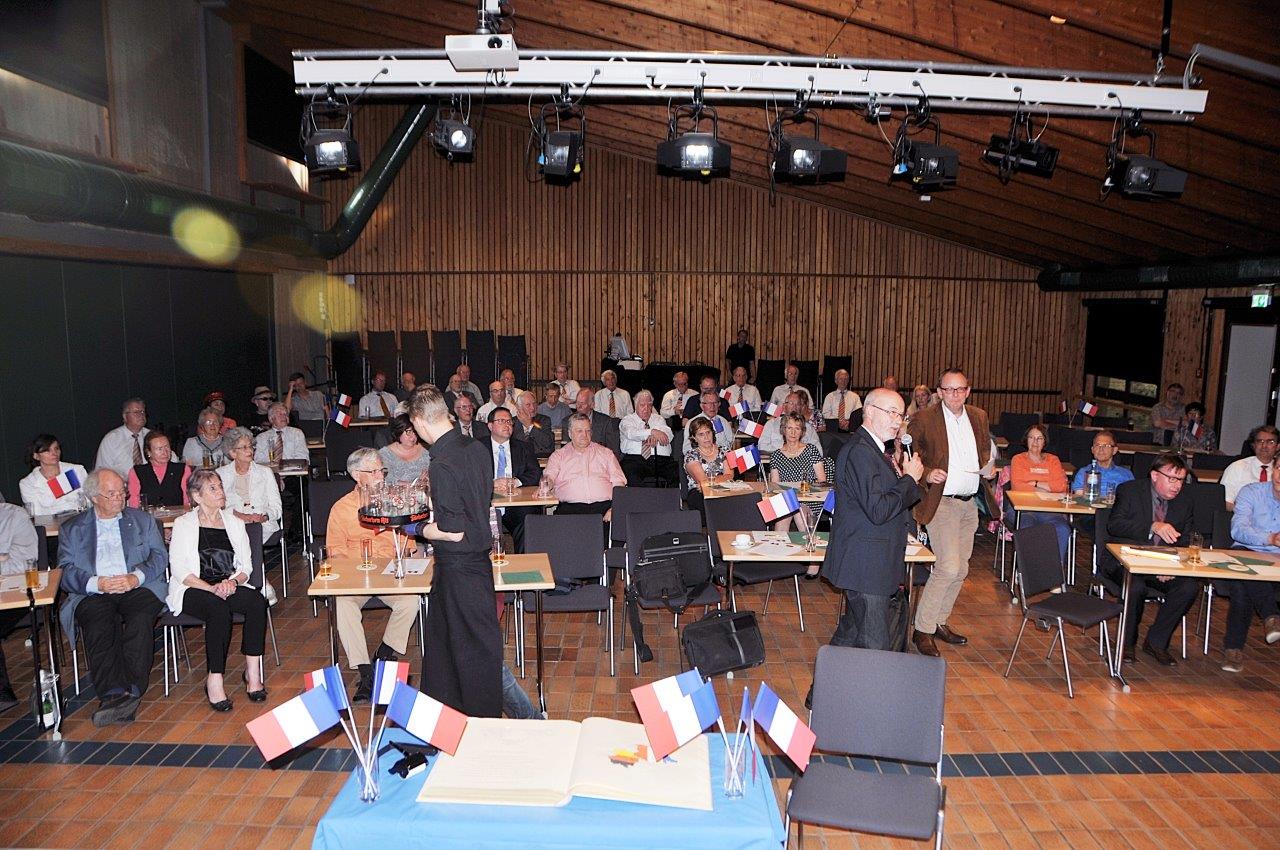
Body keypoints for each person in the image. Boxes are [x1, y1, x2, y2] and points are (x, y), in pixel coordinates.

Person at [407, 385, 501, 717]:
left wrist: (414, 528)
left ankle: (465, 722)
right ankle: (465, 718)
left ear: (418, 421)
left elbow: (451, 529)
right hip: (479, 563)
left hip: (457, 567)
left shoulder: (441, 462)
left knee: (457, 651)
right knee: (468, 647)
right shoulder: (476, 447)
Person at [58, 469, 168, 726]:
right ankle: (115, 693)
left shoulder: (141, 520)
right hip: (95, 590)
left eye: (122, 492)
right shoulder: (73, 529)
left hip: (138, 586)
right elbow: (65, 571)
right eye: (112, 494)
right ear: (95, 497)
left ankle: (130, 688)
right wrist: (97, 583)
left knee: (141, 620)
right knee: (98, 624)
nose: (120, 498)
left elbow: (159, 556)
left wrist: (135, 577)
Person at [820, 388, 923, 651]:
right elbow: (878, 509)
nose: (897, 421)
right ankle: (868, 692)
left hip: (870, 564)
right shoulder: (861, 452)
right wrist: (909, 480)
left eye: (900, 415)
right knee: (874, 648)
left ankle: (820, 692)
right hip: (865, 566)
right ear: (869, 411)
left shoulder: (876, 451)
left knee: (848, 640)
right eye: (891, 413)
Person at [906, 368, 997, 658]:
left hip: (970, 502)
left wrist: (989, 466)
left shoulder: (979, 416)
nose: (955, 394)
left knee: (962, 568)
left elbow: (984, 451)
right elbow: (909, 453)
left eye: (960, 389)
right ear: (940, 391)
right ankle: (922, 629)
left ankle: (938, 621)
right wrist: (927, 473)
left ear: (968, 391)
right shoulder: (924, 418)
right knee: (948, 567)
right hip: (941, 501)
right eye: (949, 389)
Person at [327, 448, 424, 702]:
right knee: (343, 605)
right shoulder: (341, 508)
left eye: (382, 470)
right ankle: (366, 671)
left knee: (410, 601)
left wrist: (413, 566)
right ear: (357, 476)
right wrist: (352, 576)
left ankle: (385, 652)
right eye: (374, 471)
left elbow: (409, 547)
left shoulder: (393, 502)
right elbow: (335, 553)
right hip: (356, 575)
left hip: (389, 572)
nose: (381, 475)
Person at [167, 469, 268, 711]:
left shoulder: (234, 522)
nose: (220, 491)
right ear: (197, 496)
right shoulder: (183, 524)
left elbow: (247, 566)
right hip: (194, 587)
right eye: (212, 488)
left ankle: (252, 674)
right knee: (218, 609)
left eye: (220, 486)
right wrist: (211, 589)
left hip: (228, 584)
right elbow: (180, 571)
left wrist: (231, 582)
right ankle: (214, 678)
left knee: (256, 602)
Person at [1102, 454, 1202, 665]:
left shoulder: (1185, 501)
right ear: (1155, 475)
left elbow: (1184, 539)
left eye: (1181, 480)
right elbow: (1115, 526)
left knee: (1189, 587)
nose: (1177, 486)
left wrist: (1171, 566)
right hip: (1124, 562)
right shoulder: (1130, 491)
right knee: (1135, 587)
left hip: (1163, 565)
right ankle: (1127, 643)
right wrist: (1152, 526)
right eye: (1172, 479)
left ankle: (1157, 641)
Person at [1222, 458, 1280, 672]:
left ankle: (1232, 649)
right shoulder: (1251, 492)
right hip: (1247, 552)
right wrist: (1270, 538)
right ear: (1274, 469)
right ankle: (1271, 617)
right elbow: (1238, 530)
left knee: (1242, 586)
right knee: (1242, 585)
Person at [1009, 424, 1071, 564]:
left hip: (1049, 509)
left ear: (1045, 441)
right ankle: (1027, 574)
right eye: (1031, 437)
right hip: (1023, 509)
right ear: (1026, 440)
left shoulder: (1053, 460)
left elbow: (1061, 486)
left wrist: (1035, 483)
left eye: (1039, 438)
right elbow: (1018, 486)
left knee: (1062, 529)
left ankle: (1053, 575)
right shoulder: (1018, 459)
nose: (1035, 442)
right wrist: (1047, 487)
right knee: (1027, 527)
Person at [545, 414, 627, 519]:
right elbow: (549, 476)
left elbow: (619, 484)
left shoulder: (606, 453)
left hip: (604, 510)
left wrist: (615, 509)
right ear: (570, 434)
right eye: (579, 431)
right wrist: (546, 485)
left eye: (588, 431)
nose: (584, 435)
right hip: (570, 510)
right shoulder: (558, 456)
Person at [480, 408, 540, 552]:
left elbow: (535, 473)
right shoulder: (477, 447)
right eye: (501, 421)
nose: (507, 425)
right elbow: (468, 475)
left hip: (515, 504)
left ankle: (523, 566)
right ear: (490, 426)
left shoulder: (523, 447)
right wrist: (491, 484)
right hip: (486, 504)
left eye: (509, 422)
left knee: (528, 519)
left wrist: (515, 482)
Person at [0, 503, 40, 712]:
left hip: (17, 595)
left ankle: (2, 694)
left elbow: (25, 565)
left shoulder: (15, 517)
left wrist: (7, 561)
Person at [768, 412, 827, 553]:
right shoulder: (776, 455)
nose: (793, 432)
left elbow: (822, 481)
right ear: (783, 430)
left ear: (802, 431)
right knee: (784, 514)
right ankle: (780, 557)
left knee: (799, 511)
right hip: (786, 499)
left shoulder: (811, 450)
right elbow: (775, 486)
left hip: (809, 499)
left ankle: (812, 556)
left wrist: (804, 491)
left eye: (797, 428)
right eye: (789, 428)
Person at [217, 428, 283, 540]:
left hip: (261, 525)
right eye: (244, 447)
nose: (250, 451)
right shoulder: (220, 474)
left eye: (251, 446)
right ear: (232, 453)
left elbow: (276, 507)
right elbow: (218, 507)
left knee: (250, 535)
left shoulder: (265, 472)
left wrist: (264, 516)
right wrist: (243, 517)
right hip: (232, 524)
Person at [20, 434, 90, 516]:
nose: (54, 453)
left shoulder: (76, 470)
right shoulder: (28, 483)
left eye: (56, 448)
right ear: (36, 456)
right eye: (47, 450)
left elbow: (89, 500)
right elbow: (36, 513)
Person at [619, 390, 676, 487]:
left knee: (675, 470)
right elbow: (631, 433)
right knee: (629, 471)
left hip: (661, 460)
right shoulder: (627, 420)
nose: (646, 408)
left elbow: (668, 435)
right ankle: (640, 502)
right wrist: (652, 432)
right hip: (635, 459)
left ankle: (671, 501)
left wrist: (656, 435)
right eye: (642, 405)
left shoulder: (658, 419)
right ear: (635, 405)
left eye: (649, 405)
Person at [127, 431, 191, 509]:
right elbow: (134, 503)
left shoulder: (183, 469)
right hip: (148, 518)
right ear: (148, 452)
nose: (165, 452)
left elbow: (187, 500)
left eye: (167, 447)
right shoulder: (136, 472)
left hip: (177, 517)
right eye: (159, 449)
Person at [683, 418, 732, 518]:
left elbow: (730, 476)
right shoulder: (691, 455)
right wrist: (719, 479)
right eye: (701, 434)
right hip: (699, 494)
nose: (706, 437)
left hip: (725, 490)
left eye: (708, 432)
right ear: (694, 438)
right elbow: (703, 480)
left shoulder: (725, 451)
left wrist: (707, 483)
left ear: (713, 433)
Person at [1221, 425, 1279, 508]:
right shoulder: (1237, 467)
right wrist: (1245, 513)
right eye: (1260, 441)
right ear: (1253, 445)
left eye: (1270, 442)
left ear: (1278, 446)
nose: (1264, 446)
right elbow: (1225, 502)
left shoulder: (1278, 471)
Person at [94, 397, 151, 478]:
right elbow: (102, 471)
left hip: (150, 486)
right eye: (136, 412)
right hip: (122, 488)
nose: (141, 415)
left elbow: (171, 459)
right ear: (125, 416)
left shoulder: (152, 437)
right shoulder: (111, 439)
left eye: (142, 411)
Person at [1070, 430, 1134, 499]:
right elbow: (1079, 498)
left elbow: (1131, 498)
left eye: (1106, 446)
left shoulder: (1126, 475)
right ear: (1092, 450)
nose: (1101, 449)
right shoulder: (1084, 473)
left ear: (1114, 450)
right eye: (1097, 445)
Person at [562, 388, 621, 458]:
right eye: (577, 403)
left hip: (599, 461)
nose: (578, 406)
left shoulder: (606, 422)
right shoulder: (567, 421)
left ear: (592, 405)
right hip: (575, 461)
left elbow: (613, 450)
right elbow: (567, 449)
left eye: (582, 403)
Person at [380, 415, 431, 484]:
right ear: (398, 431)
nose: (413, 437)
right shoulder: (385, 454)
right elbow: (384, 480)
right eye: (409, 432)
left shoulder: (427, 451)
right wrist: (415, 484)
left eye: (415, 432)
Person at [513, 392, 555, 458]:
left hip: (539, 459)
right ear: (519, 407)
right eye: (528, 405)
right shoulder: (512, 422)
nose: (533, 408)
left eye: (534, 403)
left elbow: (547, 443)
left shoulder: (544, 420)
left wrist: (530, 425)